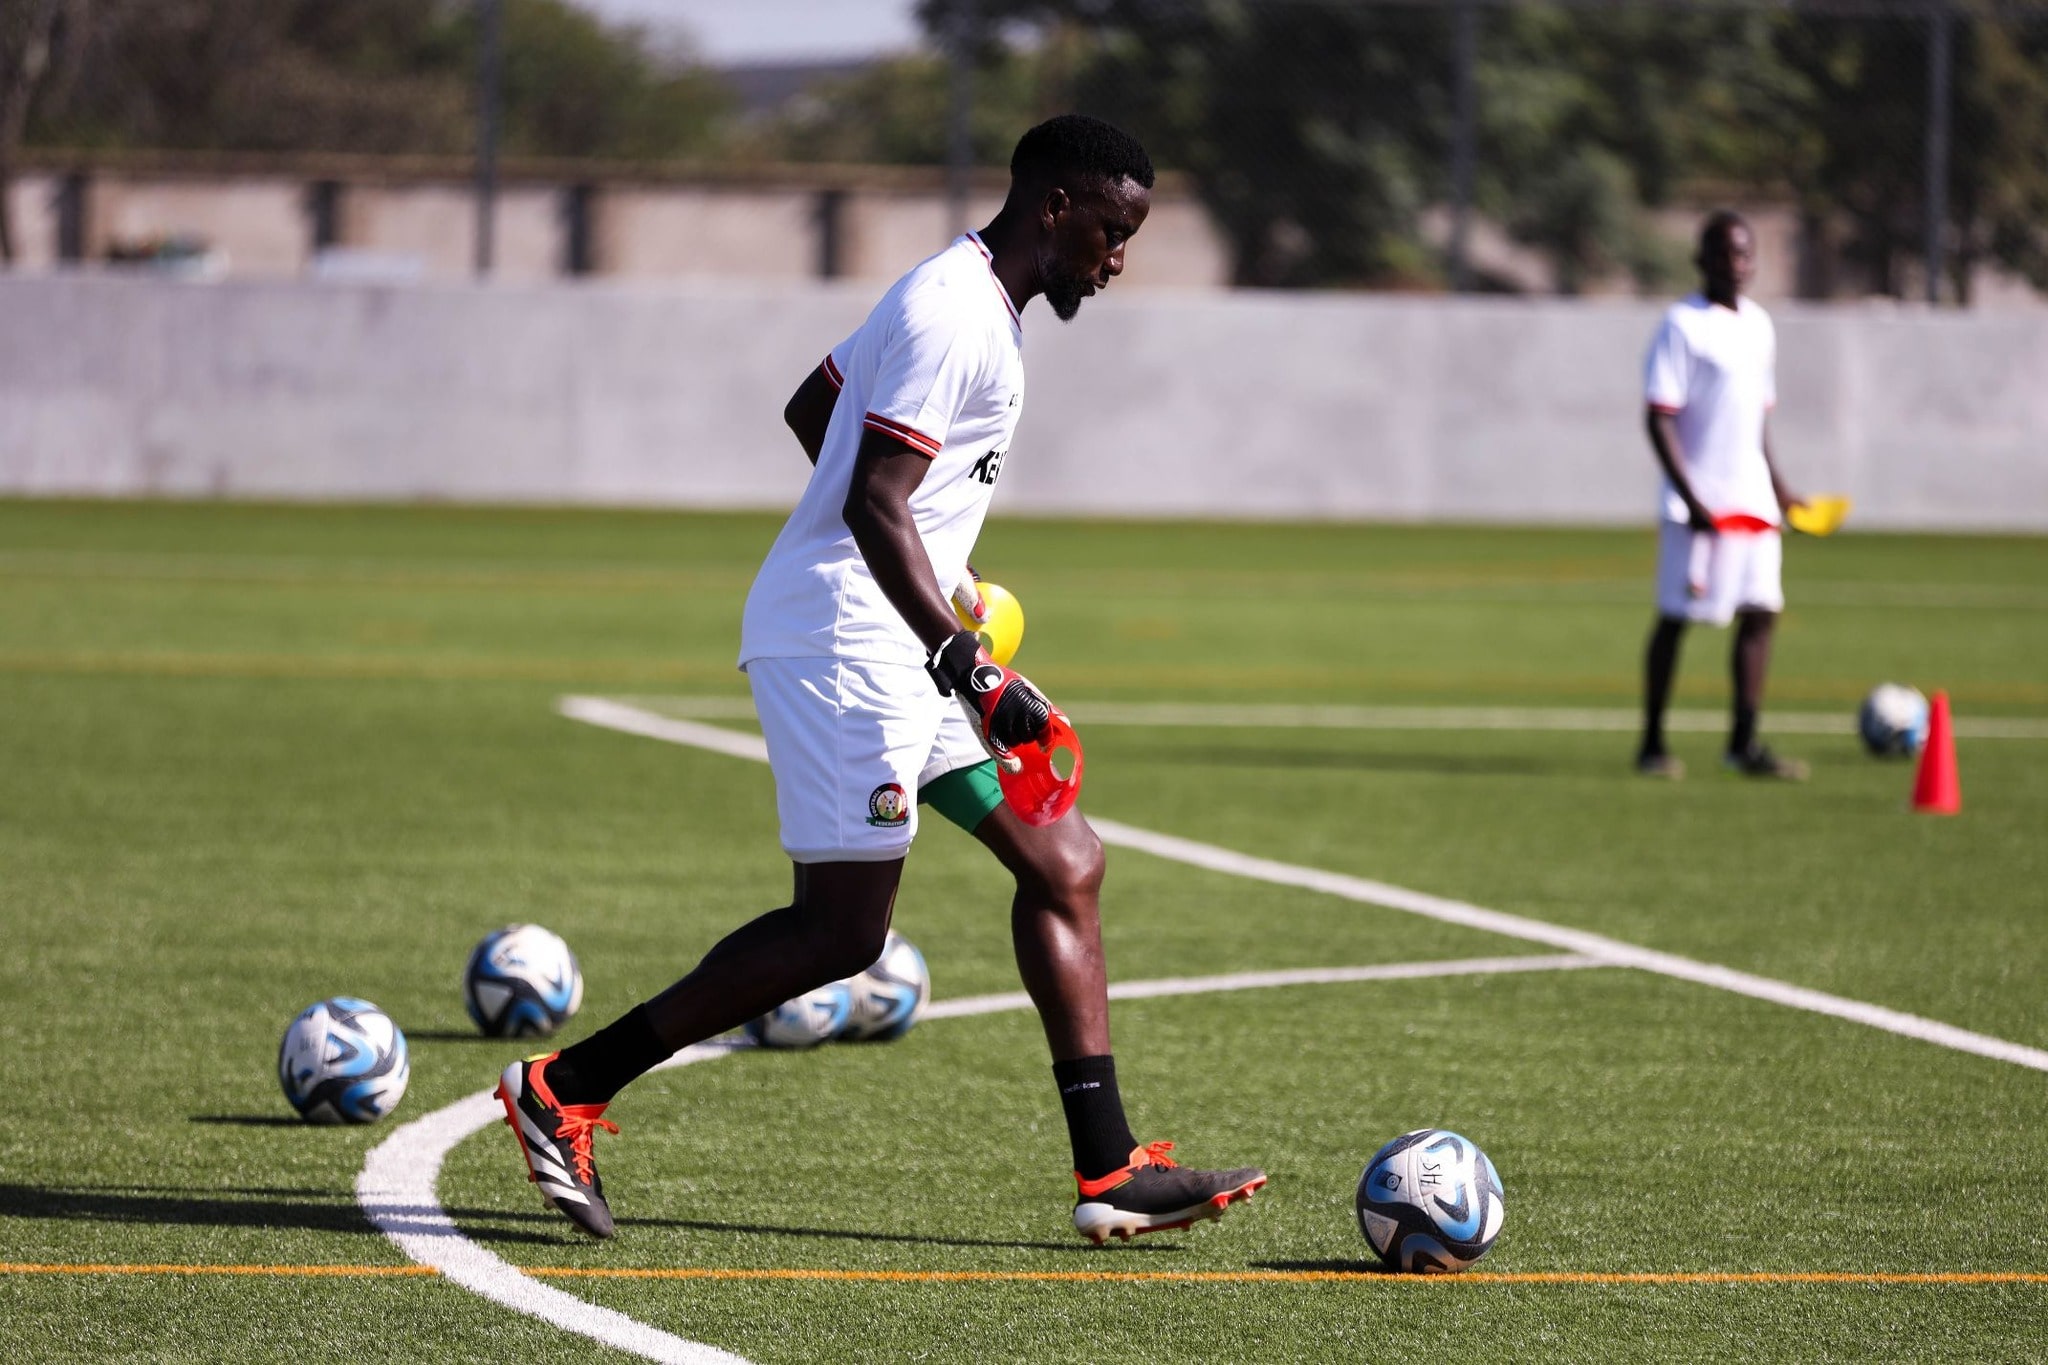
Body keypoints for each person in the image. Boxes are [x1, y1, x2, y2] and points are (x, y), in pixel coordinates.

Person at [496, 115, 1266, 1246]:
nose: (1116, 260)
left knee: (1065, 860)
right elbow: (871, 501)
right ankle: (563, 1090)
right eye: (1110, 231)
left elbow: (817, 411)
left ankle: (1108, 1169)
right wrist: (963, 654)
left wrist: (940, 582)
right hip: (846, 647)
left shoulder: (965, 303)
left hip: (898, 633)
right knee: (840, 934)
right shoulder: (953, 313)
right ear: (1054, 205)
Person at [1635, 210, 1810, 782]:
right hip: (1698, 505)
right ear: (1701, 260)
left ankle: (1743, 742)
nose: (1735, 264)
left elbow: (1757, 418)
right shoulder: (1683, 325)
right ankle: (1653, 743)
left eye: (1744, 254)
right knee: (1677, 618)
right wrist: (1692, 499)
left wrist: (1780, 490)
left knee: (1761, 613)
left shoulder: (1759, 325)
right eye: (1724, 253)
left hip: (1752, 501)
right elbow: (1659, 418)